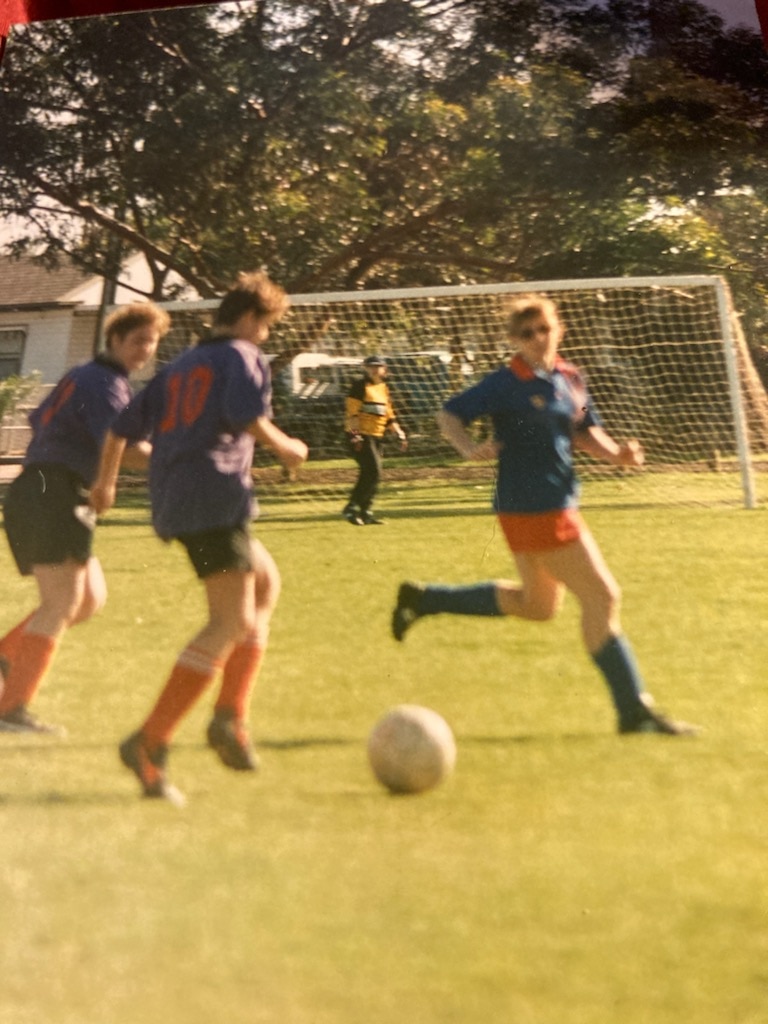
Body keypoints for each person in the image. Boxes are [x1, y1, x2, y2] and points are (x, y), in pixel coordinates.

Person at [392, 294, 697, 736]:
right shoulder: (504, 382)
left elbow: (583, 429)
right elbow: (449, 414)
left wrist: (619, 456)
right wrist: (468, 448)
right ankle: (634, 712)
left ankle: (424, 599)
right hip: (534, 505)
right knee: (603, 597)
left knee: (537, 606)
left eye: (543, 329)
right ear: (514, 340)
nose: (536, 338)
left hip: (546, 503)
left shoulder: (571, 376)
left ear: (559, 329)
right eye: (525, 333)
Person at [90, 271, 308, 803]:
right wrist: (287, 447)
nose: (265, 337)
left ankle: (230, 717)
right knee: (229, 620)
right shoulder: (243, 356)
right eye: (266, 326)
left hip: (178, 496)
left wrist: (106, 481)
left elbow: (121, 427)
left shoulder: (181, 363)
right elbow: (244, 415)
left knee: (264, 584)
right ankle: (150, 741)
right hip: (214, 494)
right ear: (252, 318)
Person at [0, 302, 169, 733]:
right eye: (137, 341)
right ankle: (10, 710)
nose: (144, 350)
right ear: (114, 340)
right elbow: (122, 448)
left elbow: (41, 421)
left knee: (88, 597)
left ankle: (6, 658)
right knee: (62, 603)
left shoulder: (82, 376)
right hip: (52, 492)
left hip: (42, 491)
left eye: (151, 343)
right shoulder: (106, 384)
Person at [342, 354, 407, 525]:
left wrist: (399, 432)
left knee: (372, 474)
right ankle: (351, 507)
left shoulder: (383, 388)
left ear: (384, 369)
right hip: (361, 435)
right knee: (374, 471)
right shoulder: (359, 386)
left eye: (377, 366)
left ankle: (365, 512)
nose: (373, 369)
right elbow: (352, 414)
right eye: (369, 366)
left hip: (377, 436)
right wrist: (355, 436)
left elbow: (388, 415)